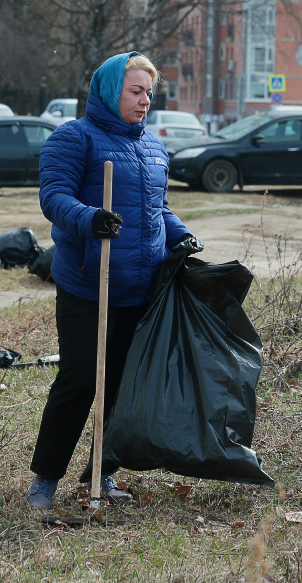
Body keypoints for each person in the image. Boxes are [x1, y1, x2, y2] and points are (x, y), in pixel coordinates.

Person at [26, 52, 201, 511]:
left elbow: (156, 210)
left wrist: (181, 234)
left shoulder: (152, 147)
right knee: (81, 379)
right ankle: (45, 480)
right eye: (135, 91)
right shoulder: (74, 138)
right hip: (90, 283)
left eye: (149, 93)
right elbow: (54, 197)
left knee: (123, 386)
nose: (145, 101)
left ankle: (101, 473)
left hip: (139, 288)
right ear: (109, 91)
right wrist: (90, 218)